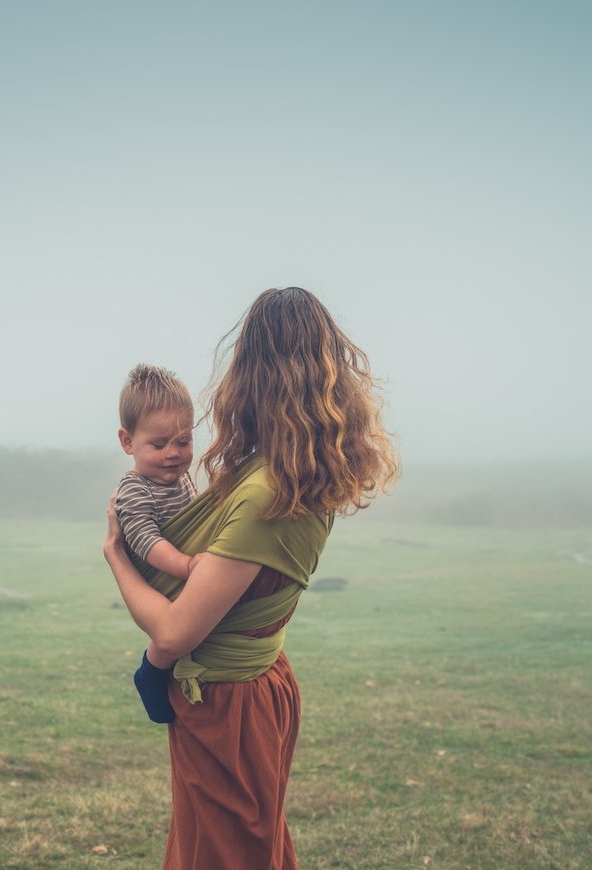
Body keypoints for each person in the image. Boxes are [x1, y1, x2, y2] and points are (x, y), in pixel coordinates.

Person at [103, 287, 397, 869]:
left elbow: (172, 634)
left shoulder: (268, 493)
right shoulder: (293, 474)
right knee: (242, 847)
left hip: (228, 704)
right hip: (256, 685)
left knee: (225, 856)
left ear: (254, 377)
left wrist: (115, 555)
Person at [114, 364, 200, 582]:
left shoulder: (181, 476)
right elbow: (144, 539)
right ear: (127, 442)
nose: (172, 453)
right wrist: (186, 566)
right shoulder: (135, 488)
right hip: (170, 583)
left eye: (183, 441)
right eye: (159, 445)